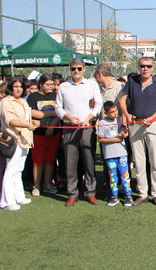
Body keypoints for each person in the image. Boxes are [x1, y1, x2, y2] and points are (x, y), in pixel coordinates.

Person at [119, 56, 156, 207]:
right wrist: (127, 116)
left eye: (148, 66)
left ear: (153, 68)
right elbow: (122, 100)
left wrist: (153, 117)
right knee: (139, 162)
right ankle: (142, 194)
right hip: (135, 125)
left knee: (155, 162)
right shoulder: (132, 81)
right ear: (138, 67)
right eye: (142, 66)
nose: (145, 68)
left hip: (152, 125)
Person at [55, 57, 103, 207]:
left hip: (87, 127)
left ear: (84, 69)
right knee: (70, 161)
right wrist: (68, 117)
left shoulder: (91, 84)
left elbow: (99, 104)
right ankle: (72, 193)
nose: (76, 71)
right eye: (73, 68)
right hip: (69, 127)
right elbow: (57, 107)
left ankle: (90, 193)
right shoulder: (63, 86)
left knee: (89, 160)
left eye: (79, 68)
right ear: (70, 70)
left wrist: (89, 118)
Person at [0, 77, 37, 211]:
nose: (18, 89)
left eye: (20, 86)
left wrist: (31, 123)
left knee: (19, 168)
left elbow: (27, 117)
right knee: (10, 169)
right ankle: (7, 201)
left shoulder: (22, 101)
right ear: (10, 87)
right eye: (15, 87)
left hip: (25, 139)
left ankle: (18, 196)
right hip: (13, 139)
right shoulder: (6, 102)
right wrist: (26, 125)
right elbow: (10, 120)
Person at [27, 74, 61, 197]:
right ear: (41, 85)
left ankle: (47, 184)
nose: (51, 87)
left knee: (50, 160)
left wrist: (52, 126)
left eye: (52, 84)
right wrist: (51, 113)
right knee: (38, 160)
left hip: (54, 133)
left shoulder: (56, 96)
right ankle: (36, 185)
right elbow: (32, 113)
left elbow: (60, 113)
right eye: (48, 84)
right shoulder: (33, 96)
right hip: (38, 134)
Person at [97, 101, 132, 207]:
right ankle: (114, 196)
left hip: (122, 153)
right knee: (113, 177)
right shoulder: (102, 123)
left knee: (125, 175)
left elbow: (126, 131)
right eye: (112, 112)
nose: (115, 113)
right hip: (109, 154)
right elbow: (100, 139)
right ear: (106, 112)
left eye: (116, 111)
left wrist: (125, 133)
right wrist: (114, 139)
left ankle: (128, 195)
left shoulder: (120, 119)